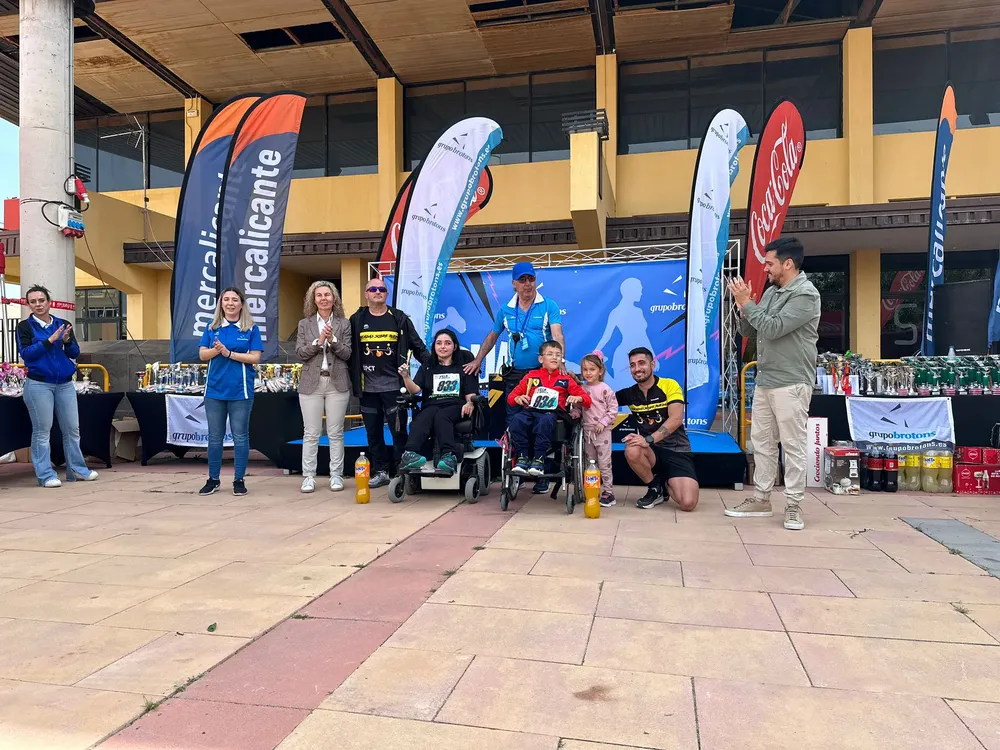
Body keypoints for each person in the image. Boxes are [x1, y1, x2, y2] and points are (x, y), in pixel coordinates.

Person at [725, 236, 820, 531]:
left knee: (792, 445)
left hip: (792, 381)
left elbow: (775, 328)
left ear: (788, 264)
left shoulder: (806, 295)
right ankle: (761, 499)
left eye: (770, 263)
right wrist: (743, 307)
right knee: (763, 443)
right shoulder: (771, 292)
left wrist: (749, 305)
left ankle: (793, 505)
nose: (765, 269)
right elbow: (752, 331)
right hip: (766, 379)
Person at [465, 261, 565, 492]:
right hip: (516, 377)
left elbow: (558, 335)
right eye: (522, 280)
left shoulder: (548, 305)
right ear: (514, 284)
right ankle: (518, 469)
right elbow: (491, 337)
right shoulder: (506, 309)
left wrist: (559, 362)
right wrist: (478, 360)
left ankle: (542, 473)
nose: (527, 284)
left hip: (544, 375)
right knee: (516, 422)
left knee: (543, 420)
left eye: (531, 279)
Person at [348, 277, 429, 489]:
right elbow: (347, 352)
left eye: (382, 289)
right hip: (367, 389)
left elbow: (418, 346)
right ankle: (381, 471)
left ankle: (402, 471)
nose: (377, 292)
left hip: (395, 388)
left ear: (387, 294)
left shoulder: (399, 318)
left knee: (399, 432)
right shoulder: (356, 319)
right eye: (373, 289)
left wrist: (435, 368)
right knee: (373, 433)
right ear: (366, 294)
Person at [16, 285, 98, 488]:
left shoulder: (63, 324)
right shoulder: (24, 327)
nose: (38, 305)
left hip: (64, 384)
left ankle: (78, 470)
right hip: (39, 384)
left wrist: (67, 340)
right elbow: (26, 354)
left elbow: (74, 353)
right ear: (28, 305)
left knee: (72, 429)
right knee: (42, 431)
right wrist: (49, 341)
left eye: (41, 300)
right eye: (33, 301)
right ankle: (46, 475)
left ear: (49, 302)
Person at [198, 287, 263, 497]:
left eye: (234, 300)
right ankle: (213, 479)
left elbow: (254, 358)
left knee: (240, 437)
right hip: (215, 391)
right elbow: (202, 355)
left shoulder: (250, 328)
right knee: (214, 438)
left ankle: (239, 479)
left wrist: (229, 353)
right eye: (226, 299)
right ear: (221, 304)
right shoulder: (212, 327)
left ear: (241, 304)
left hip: (240, 391)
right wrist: (216, 350)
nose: (230, 303)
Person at [616, 347, 700, 511]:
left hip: (677, 450)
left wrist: (648, 439)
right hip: (651, 452)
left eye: (641, 363)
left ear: (652, 364)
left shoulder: (669, 385)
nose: (637, 369)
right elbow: (599, 398)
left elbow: (675, 419)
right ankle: (655, 487)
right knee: (632, 449)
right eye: (632, 365)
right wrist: (574, 383)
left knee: (687, 504)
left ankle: (667, 481)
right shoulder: (628, 393)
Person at [296, 281, 352, 493]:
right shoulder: (304, 324)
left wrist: (333, 340)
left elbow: (347, 353)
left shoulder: (344, 324)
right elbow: (301, 354)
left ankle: (336, 475)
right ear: (314, 299)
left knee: (335, 432)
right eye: (319, 295)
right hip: (311, 382)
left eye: (327, 294)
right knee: (311, 433)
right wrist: (318, 342)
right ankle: (308, 476)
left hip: (337, 382)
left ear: (334, 298)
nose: (323, 298)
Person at [398, 329, 477, 475]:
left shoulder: (463, 365)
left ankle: (449, 456)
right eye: (439, 343)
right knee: (425, 415)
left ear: (454, 346)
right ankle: (409, 453)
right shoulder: (428, 365)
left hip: (455, 405)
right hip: (432, 404)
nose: (443, 347)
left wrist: (470, 403)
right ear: (434, 346)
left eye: (447, 343)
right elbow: (415, 390)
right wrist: (406, 377)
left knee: (442, 415)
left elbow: (470, 390)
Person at [507, 340, 590, 476]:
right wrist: (517, 398)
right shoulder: (531, 376)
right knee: (517, 419)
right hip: (531, 410)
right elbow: (511, 398)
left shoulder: (566, 379)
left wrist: (578, 398)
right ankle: (522, 457)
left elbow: (587, 400)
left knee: (546, 419)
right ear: (541, 359)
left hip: (553, 413)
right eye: (550, 354)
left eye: (558, 355)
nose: (554, 357)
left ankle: (539, 459)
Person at [578, 352, 619, 507]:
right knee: (590, 463)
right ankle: (592, 490)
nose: (588, 373)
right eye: (585, 370)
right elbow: (578, 407)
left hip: (602, 432)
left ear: (600, 371)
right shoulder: (582, 388)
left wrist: (603, 422)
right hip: (587, 432)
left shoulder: (605, 389)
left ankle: (608, 492)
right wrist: (574, 413)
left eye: (592, 369)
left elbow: (613, 409)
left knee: (604, 463)